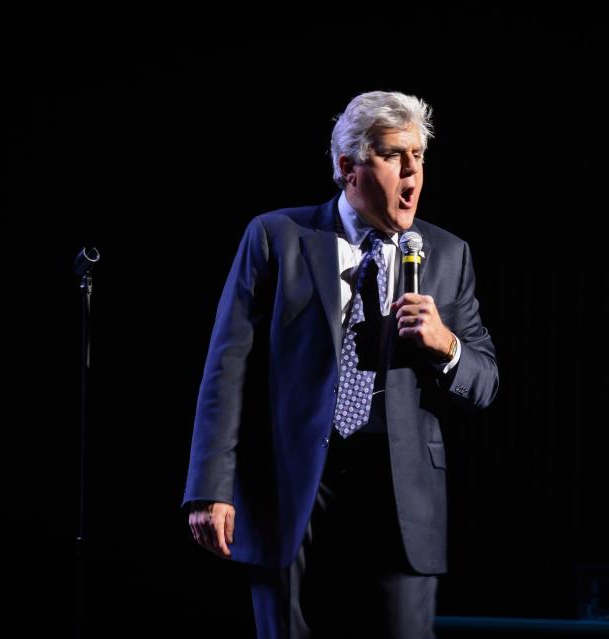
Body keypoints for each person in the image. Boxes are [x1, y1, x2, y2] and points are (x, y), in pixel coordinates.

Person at [182, 90, 499, 638]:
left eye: (419, 156)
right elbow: (226, 368)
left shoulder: (448, 254)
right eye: (395, 155)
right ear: (347, 166)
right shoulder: (277, 237)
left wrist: (445, 344)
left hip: (400, 496)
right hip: (292, 488)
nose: (412, 171)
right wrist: (211, 486)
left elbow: (486, 380)